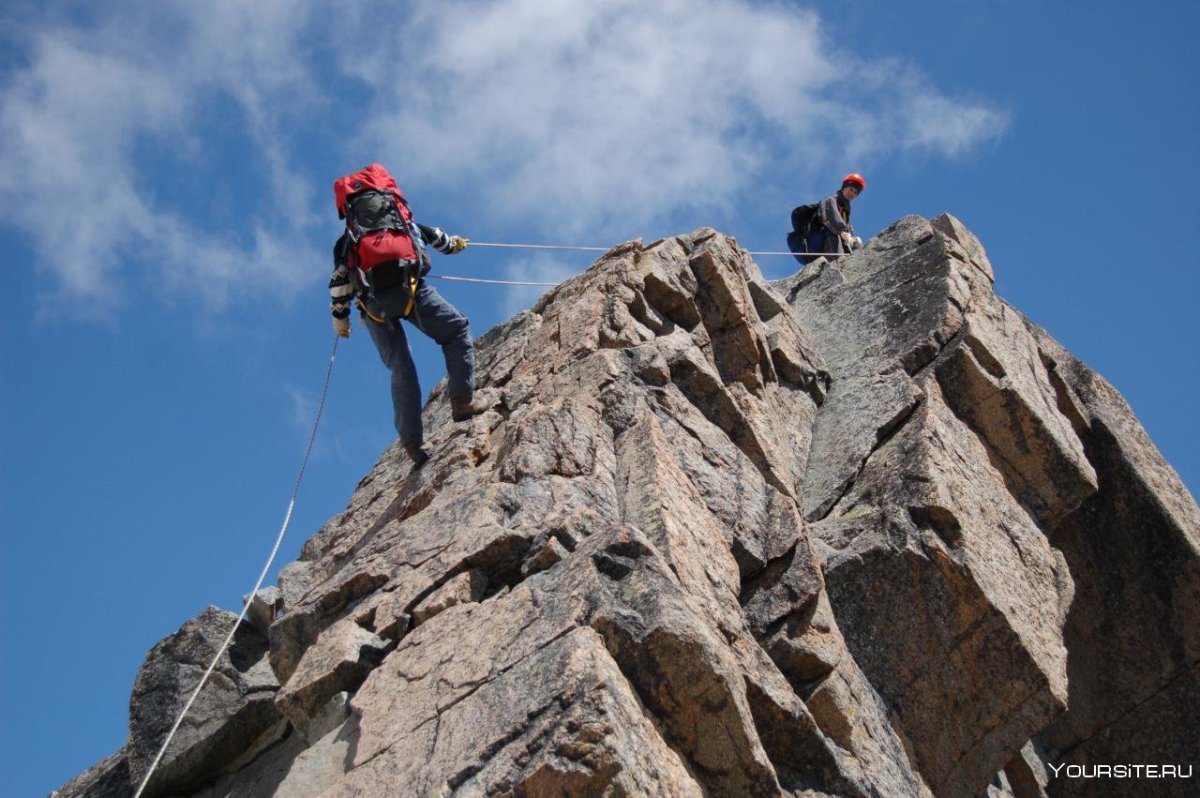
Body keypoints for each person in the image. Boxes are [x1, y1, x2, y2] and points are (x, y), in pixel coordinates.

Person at [329, 170, 489, 467]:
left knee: (402, 370)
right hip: (413, 292)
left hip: (375, 309)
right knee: (456, 331)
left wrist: (341, 319)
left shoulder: (348, 242)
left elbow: (340, 283)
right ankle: (463, 401)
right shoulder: (402, 223)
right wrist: (456, 244)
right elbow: (440, 240)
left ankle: (414, 444)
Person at [809, 173, 866, 257]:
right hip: (828, 241)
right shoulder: (831, 200)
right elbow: (832, 220)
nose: (852, 194)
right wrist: (846, 234)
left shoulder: (845, 210)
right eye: (851, 189)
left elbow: (844, 228)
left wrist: (852, 238)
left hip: (838, 242)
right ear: (844, 187)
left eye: (855, 193)